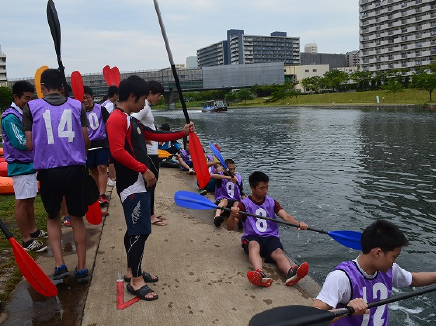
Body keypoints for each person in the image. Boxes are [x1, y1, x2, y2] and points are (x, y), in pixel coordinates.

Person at [106, 75, 194, 301]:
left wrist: (182, 133)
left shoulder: (131, 120)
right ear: (132, 96)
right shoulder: (116, 119)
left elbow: (155, 135)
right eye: (143, 99)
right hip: (131, 185)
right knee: (140, 231)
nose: (145, 103)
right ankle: (136, 281)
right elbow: (117, 152)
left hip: (139, 183)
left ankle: (131, 270)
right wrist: (143, 169)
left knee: (135, 230)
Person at [23, 68, 91, 283]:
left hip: (49, 171)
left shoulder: (30, 108)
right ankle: (81, 267)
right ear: (63, 87)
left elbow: (30, 143)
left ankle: (60, 265)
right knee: (77, 217)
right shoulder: (77, 105)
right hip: (75, 169)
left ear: (41, 87)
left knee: (53, 218)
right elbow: (86, 141)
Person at [312, 219, 436, 326]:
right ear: (377, 253)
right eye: (394, 256)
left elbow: (413, 279)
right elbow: (315, 316)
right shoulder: (341, 277)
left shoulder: (389, 269)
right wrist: (346, 310)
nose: (394, 261)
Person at [228, 171, 309, 287]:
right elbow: (230, 227)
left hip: (270, 237)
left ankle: (290, 272)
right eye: (262, 188)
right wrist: (232, 215)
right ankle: (260, 273)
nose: (265, 191)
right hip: (253, 237)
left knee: (278, 252)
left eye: (266, 187)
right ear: (252, 187)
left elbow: (285, 216)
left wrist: (298, 224)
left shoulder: (271, 202)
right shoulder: (243, 205)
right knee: (253, 245)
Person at [1, 81, 47, 252]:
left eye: (31, 98)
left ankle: (33, 231)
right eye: (26, 98)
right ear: (16, 97)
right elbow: (20, 142)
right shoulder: (10, 117)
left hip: (29, 164)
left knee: (29, 200)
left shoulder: (24, 113)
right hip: (20, 165)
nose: (29, 101)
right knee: (22, 201)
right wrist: (40, 138)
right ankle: (26, 240)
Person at [131, 81, 167, 226]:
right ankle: (150, 216)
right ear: (150, 92)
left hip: (151, 152)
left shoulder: (146, 105)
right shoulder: (144, 105)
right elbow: (132, 120)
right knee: (150, 184)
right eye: (158, 95)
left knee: (151, 185)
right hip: (148, 153)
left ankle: (150, 213)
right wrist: (143, 139)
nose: (159, 98)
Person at [83, 86, 111, 208]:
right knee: (93, 170)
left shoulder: (101, 109)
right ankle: (97, 192)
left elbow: (109, 124)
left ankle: (102, 193)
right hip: (88, 146)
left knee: (102, 167)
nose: (85, 100)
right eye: (83, 98)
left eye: (87, 97)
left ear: (92, 98)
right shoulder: (78, 112)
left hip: (102, 143)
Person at [211, 158, 245, 227]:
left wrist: (246, 202)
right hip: (222, 201)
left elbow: (241, 193)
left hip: (233, 204)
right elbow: (212, 176)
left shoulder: (238, 178)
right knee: (225, 200)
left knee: (236, 203)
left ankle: (238, 220)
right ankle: (217, 217)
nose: (232, 171)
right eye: (230, 169)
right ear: (224, 169)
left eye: (233, 169)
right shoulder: (221, 176)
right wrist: (228, 177)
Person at [101, 85, 119, 187]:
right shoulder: (110, 105)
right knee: (112, 158)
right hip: (107, 134)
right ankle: (112, 178)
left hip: (104, 133)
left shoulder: (104, 103)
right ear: (115, 95)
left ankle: (112, 177)